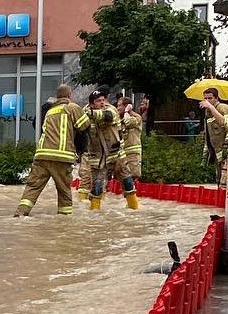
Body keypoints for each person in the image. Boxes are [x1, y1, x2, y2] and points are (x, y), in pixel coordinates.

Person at [14, 84, 89, 217]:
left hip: (41, 155)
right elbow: (84, 127)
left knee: (33, 187)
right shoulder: (72, 107)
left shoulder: (50, 111)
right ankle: (64, 220)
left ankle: (20, 213)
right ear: (69, 95)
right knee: (63, 190)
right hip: (61, 156)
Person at [82, 90, 138, 211]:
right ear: (92, 104)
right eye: (98, 101)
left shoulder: (111, 110)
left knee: (127, 181)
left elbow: (107, 116)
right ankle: (95, 213)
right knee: (97, 187)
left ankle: (134, 209)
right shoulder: (86, 116)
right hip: (99, 159)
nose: (102, 103)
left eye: (103, 100)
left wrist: (89, 112)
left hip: (117, 155)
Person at [118, 96, 144, 206]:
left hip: (133, 154)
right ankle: (129, 203)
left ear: (127, 106)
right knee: (124, 179)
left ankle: (135, 204)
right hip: (123, 154)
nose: (117, 107)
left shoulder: (136, 117)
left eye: (120, 106)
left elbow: (128, 122)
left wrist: (128, 111)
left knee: (133, 176)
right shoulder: (119, 119)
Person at [201, 88, 228, 184]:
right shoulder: (208, 112)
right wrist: (205, 155)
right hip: (216, 151)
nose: (207, 101)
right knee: (219, 178)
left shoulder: (223, 108)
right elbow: (208, 135)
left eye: (210, 98)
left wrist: (211, 107)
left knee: (225, 179)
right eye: (205, 99)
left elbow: (226, 124)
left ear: (217, 98)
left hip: (226, 150)